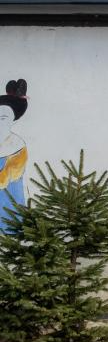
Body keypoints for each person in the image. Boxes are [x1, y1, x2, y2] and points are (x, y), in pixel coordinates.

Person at [0, 79, 29, 231]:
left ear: (12, 120)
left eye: (3, 118)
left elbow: (9, 175)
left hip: (9, 200)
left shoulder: (17, 145)